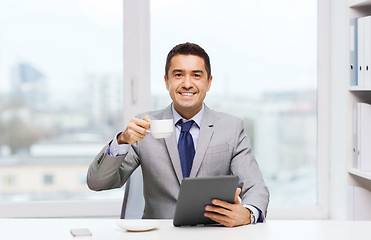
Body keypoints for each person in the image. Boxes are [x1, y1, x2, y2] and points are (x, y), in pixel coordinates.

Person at [87, 42, 269, 227]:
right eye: (179, 75)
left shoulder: (231, 127)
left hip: (213, 235)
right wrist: (122, 140)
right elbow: (97, 182)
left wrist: (249, 214)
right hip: (159, 235)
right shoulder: (144, 126)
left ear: (209, 83)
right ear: (167, 82)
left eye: (196, 75)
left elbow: (256, 187)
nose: (187, 84)